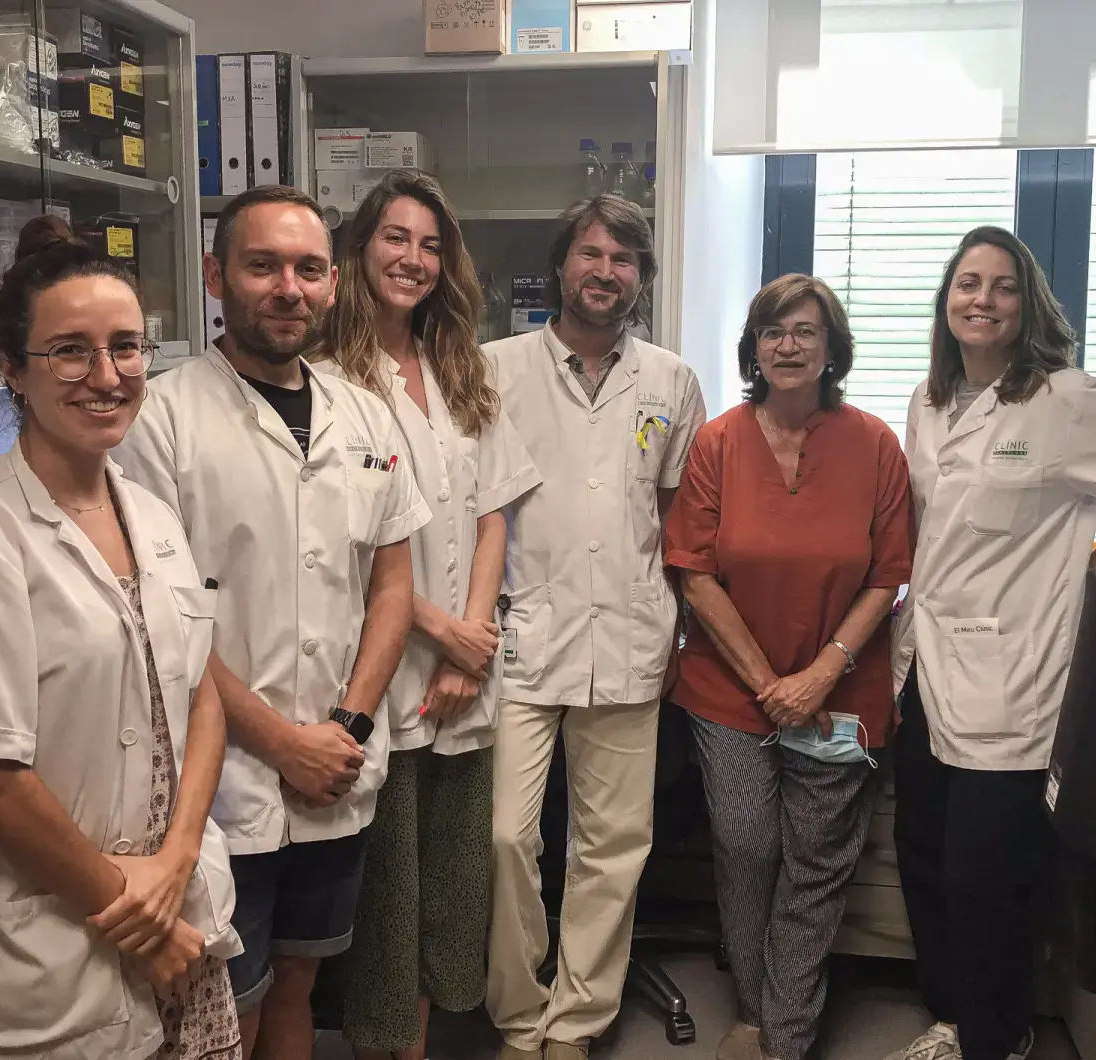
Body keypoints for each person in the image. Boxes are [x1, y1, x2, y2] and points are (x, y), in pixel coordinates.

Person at [0, 215, 244, 1060]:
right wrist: (139, 918)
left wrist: (174, 865)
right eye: (70, 351)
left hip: (170, 901)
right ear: (13, 370)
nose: (107, 375)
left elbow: (200, 693)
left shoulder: (152, 513)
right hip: (61, 940)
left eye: (126, 347)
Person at [884, 226, 1096, 1060]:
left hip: (1014, 675)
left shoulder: (1064, 400)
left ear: (1027, 303)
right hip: (925, 662)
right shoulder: (930, 401)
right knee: (920, 851)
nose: (982, 300)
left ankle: (998, 1040)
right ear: (946, 301)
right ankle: (952, 1021)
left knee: (981, 878)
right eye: (967, 283)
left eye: (1001, 286)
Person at [117, 185, 430, 1060]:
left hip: (337, 771)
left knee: (299, 981)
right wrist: (282, 742)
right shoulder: (163, 419)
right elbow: (160, 619)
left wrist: (348, 726)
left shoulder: (364, 415)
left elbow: (393, 586)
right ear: (218, 276)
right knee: (228, 1004)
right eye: (262, 266)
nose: (287, 287)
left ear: (333, 284)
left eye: (307, 268)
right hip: (222, 784)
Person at [310, 169, 542, 1060]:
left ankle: (421, 1043)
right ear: (361, 249)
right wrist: (441, 634)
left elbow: (494, 510)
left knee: (453, 888)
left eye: (431, 244)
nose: (412, 258)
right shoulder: (327, 380)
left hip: (462, 680)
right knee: (388, 905)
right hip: (386, 675)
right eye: (395, 238)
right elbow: (347, 547)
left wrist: (470, 643)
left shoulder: (459, 366)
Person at [665, 274, 913, 1060]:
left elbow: (888, 574)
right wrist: (769, 683)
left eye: (807, 331)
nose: (790, 345)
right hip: (729, 691)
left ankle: (782, 1033)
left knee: (815, 864)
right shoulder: (718, 442)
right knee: (744, 845)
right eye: (774, 331)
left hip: (842, 696)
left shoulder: (874, 443)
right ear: (755, 347)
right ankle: (755, 1003)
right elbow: (694, 570)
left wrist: (821, 674)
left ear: (833, 348)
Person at [483, 194, 706, 1060]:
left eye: (623, 259)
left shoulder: (671, 381)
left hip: (628, 636)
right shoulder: (495, 368)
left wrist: (674, 626)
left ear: (642, 279)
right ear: (560, 265)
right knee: (506, 834)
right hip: (521, 635)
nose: (605, 271)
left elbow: (671, 515)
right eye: (591, 253)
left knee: (612, 846)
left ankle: (576, 1022)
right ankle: (517, 1009)